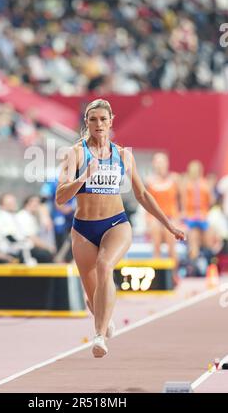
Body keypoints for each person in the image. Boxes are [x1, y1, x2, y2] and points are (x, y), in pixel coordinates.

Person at [55, 99, 185, 358]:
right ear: (87, 123)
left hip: (115, 224)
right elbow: (60, 196)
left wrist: (168, 224)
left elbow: (143, 194)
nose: (99, 124)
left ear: (111, 121)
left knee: (105, 266)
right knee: (94, 300)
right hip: (83, 229)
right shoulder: (76, 153)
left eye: (103, 119)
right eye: (93, 120)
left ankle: (99, 336)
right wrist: (83, 178)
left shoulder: (124, 155)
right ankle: (104, 320)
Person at [146, 153, 180, 270]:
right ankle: (157, 275)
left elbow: (180, 201)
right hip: (156, 216)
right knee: (156, 243)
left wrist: (178, 218)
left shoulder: (175, 178)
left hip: (171, 215)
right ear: (154, 164)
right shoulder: (149, 181)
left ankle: (174, 274)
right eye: (158, 162)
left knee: (171, 243)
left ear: (167, 163)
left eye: (162, 162)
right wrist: (149, 219)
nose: (160, 165)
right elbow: (147, 202)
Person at [181, 160, 212, 260]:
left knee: (207, 239)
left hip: (202, 217)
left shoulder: (205, 184)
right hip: (191, 218)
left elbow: (209, 202)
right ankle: (194, 261)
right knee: (194, 236)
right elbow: (184, 203)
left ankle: (204, 261)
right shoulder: (186, 184)